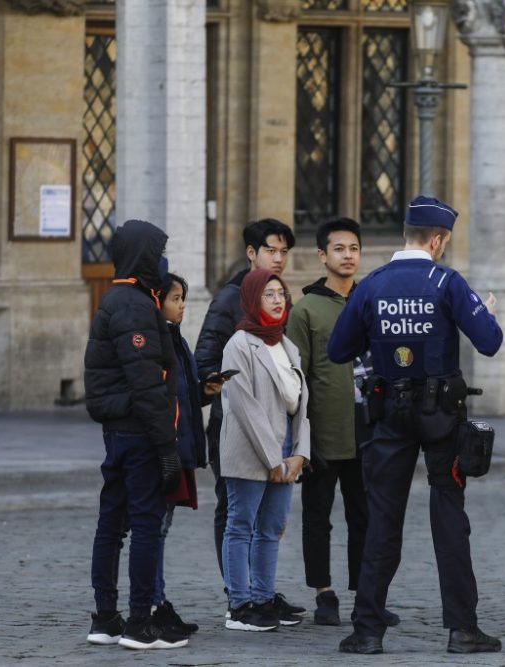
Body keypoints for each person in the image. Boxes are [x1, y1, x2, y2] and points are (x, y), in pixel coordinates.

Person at [328, 195, 504, 655]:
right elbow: (489, 341)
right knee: (449, 517)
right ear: (438, 239)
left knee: (382, 519)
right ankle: (462, 629)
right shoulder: (446, 282)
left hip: (389, 414)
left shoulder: (372, 284)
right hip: (441, 415)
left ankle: (367, 629)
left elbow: (338, 350)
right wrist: (484, 311)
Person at [287, 217, 400, 628]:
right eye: (339, 249)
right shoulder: (305, 311)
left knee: (365, 516)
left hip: (368, 430)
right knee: (318, 517)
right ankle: (323, 592)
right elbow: (294, 380)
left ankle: (364, 596)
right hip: (322, 432)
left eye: (353, 248)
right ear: (322, 255)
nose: (348, 256)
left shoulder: (371, 300)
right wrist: (299, 440)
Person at [194, 218, 305, 620]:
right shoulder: (231, 300)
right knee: (235, 513)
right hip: (235, 428)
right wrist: (240, 393)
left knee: (269, 520)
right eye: (270, 250)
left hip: (279, 429)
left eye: (283, 252)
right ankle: (237, 597)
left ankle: (262, 594)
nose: (278, 258)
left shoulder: (277, 297)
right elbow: (204, 361)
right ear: (251, 253)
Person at [84, 219, 187, 650]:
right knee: (143, 523)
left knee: (112, 522)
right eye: (156, 253)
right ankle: (139, 622)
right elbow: (147, 383)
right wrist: (166, 446)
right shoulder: (134, 305)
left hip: (119, 430)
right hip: (138, 434)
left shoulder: (120, 299)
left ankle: (106, 617)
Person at [220, 269, 310, 631]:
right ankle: (240, 605)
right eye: (268, 294)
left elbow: (301, 403)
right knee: (241, 525)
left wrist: (300, 452)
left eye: (281, 294)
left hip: (285, 446)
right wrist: (273, 458)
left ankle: (263, 597)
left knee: (272, 527)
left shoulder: (288, 346)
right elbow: (244, 406)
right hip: (251, 449)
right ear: (252, 300)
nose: (277, 300)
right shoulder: (239, 344)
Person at [151, 272, 225, 637]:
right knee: (154, 528)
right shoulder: (156, 339)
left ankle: (157, 600)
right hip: (163, 449)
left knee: (161, 528)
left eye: (184, 299)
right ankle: (151, 603)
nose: (182, 306)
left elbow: (182, 391)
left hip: (177, 445)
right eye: (176, 298)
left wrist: (204, 390)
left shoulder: (175, 338)